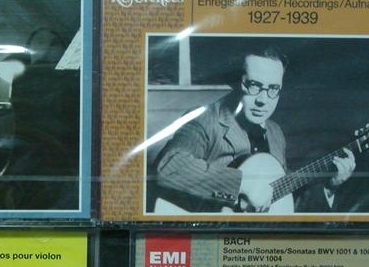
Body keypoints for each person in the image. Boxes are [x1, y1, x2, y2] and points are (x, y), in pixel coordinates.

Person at [152, 46, 356, 213]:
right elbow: (169, 167)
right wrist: (244, 185)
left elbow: (280, 202)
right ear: (238, 82)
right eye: (254, 86)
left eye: (273, 89)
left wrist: (330, 187)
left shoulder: (275, 134)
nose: (263, 100)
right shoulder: (206, 118)